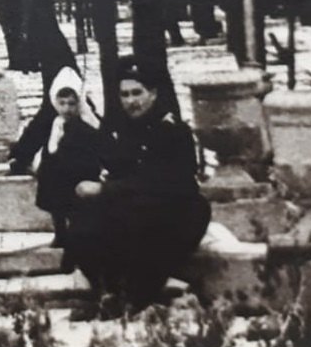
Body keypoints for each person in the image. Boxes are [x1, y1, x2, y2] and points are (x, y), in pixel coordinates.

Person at [66, 64, 211, 309]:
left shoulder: (172, 130)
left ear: (152, 94)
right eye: (125, 95)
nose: (131, 101)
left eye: (137, 93)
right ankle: (107, 290)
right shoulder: (122, 128)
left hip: (177, 208)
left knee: (142, 226)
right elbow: (113, 163)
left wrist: (106, 190)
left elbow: (161, 181)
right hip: (134, 203)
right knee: (84, 220)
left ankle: (137, 297)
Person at [33, 68, 103, 249]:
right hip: (59, 174)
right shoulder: (55, 123)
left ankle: (77, 231)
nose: (67, 108)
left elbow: (94, 148)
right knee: (50, 178)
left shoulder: (87, 122)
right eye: (62, 103)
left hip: (80, 171)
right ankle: (60, 231)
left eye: (71, 103)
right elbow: (51, 149)